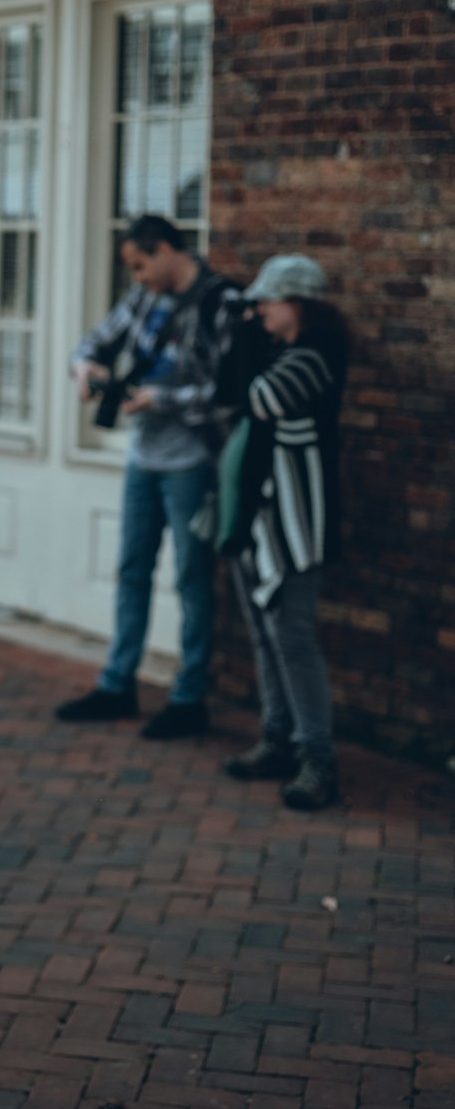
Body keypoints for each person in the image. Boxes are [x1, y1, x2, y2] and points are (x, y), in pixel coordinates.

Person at [55, 214, 238, 739]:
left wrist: (162, 397)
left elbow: (228, 393)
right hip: (143, 458)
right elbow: (94, 340)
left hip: (191, 463)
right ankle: (117, 685)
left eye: (139, 265)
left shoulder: (221, 302)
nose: (136, 277)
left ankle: (190, 697)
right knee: (132, 570)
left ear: (162, 249)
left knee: (191, 577)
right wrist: (84, 366)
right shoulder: (144, 299)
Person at [217, 254, 347, 810]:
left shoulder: (315, 357)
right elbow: (230, 388)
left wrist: (243, 336)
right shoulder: (279, 350)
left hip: (295, 521)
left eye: (266, 302)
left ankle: (316, 757)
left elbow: (256, 399)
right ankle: (277, 738)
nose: (258, 312)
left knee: (292, 638)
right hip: (254, 517)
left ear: (297, 303)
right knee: (265, 637)